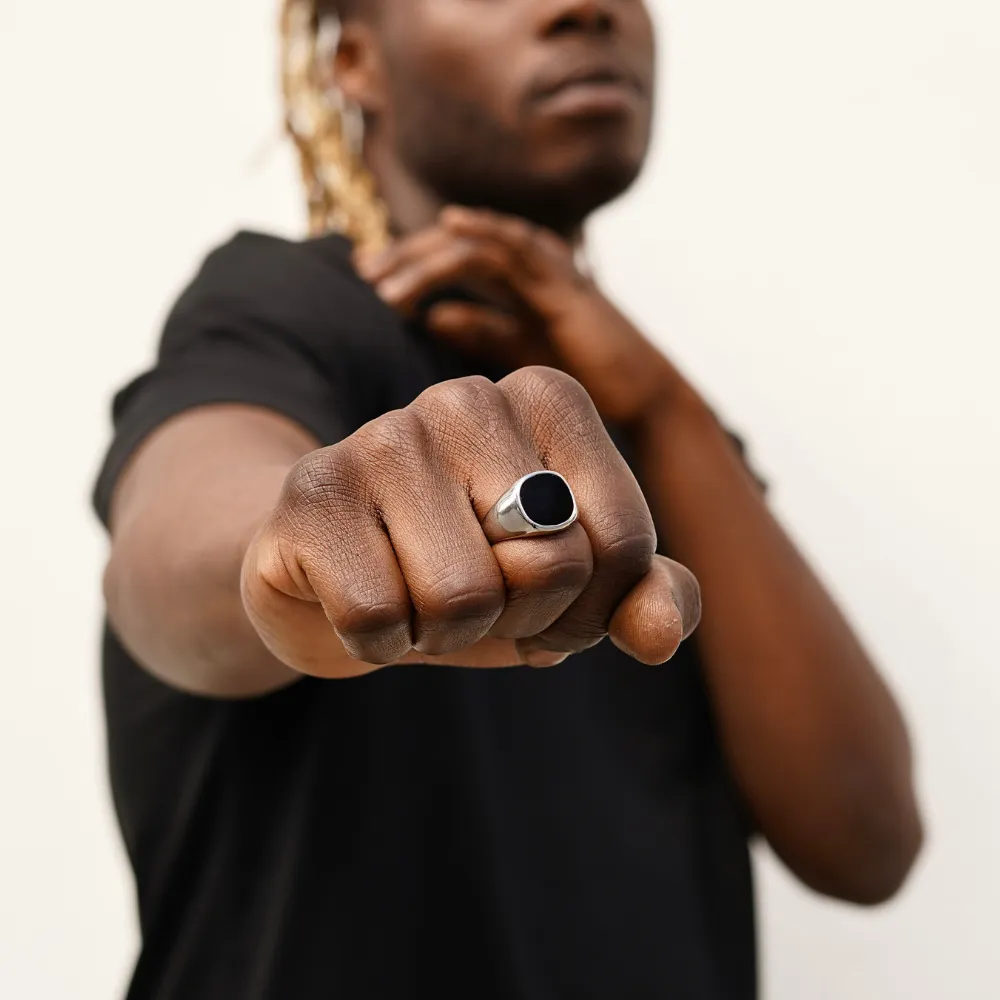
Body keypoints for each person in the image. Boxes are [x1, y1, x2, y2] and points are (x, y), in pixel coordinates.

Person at [94, 1, 923, 998]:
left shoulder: (654, 423)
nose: (587, 9)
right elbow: (168, 541)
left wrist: (665, 410)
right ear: (357, 61)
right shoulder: (288, 308)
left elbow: (864, 840)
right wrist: (281, 549)